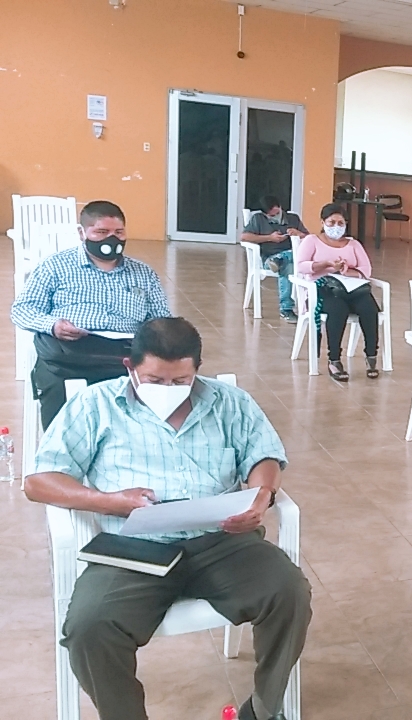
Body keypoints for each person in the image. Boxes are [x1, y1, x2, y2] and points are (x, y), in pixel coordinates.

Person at [24, 317, 310, 720]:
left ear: (197, 370)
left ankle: (263, 710)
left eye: (180, 381)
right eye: (155, 380)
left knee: (289, 593)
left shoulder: (230, 402)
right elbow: (39, 482)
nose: (168, 389)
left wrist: (261, 496)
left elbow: (263, 455)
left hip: (221, 541)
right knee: (89, 627)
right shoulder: (95, 405)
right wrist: (108, 501)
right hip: (132, 550)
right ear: (130, 366)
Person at [11, 200, 171, 429]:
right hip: (69, 354)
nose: (112, 239)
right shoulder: (55, 266)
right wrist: (53, 325)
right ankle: (61, 449)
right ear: (81, 233)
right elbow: (22, 309)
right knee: (58, 399)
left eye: (118, 232)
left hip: (123, 356)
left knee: (156, 394)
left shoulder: (143, 273)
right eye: (102, 232)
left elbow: (161, 321)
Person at [296, 204, 381, 381]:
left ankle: (371, 355)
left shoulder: (353, 244)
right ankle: (334, 360)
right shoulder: (312, 240)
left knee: (369, 308)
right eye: (331, 222)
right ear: (323, 222)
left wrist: (347, 271)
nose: (336, 227)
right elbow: (301, 266)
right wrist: (326, 265)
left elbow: (366, 269)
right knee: (338, 310)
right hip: (323, 289)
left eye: (340, 223)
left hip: (351, 287)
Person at [241, 194, 308, 323]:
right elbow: (244, 237)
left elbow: (309, 239)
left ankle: (280, 258)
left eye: (277, 213)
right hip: (269, 259)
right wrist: (269, 238)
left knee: (290, 261)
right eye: (271, 215)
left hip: (291, 258)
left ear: (281, 207)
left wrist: (299, 234)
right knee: (288, 267)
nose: (275, 217)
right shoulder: (258, 219)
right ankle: (286, 309)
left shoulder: (293, 218)